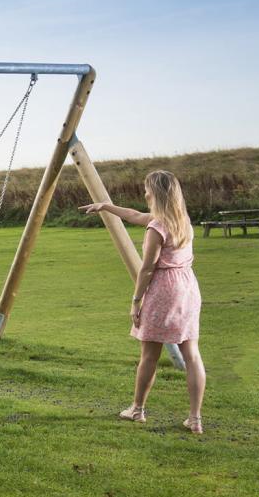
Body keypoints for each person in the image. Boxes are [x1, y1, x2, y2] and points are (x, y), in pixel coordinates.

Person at [80, 170, 206, 434]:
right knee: (192, 355)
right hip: (188, 289)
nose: (144, 192)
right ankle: (195, 418)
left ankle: (137, 409)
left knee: (149, 355)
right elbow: (135, 215)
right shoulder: (181, 221)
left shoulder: (157, 227)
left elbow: (147, 268)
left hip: (164, 291)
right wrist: (106, 206)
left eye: (147, 189)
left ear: (156, 193)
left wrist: (136, 301)